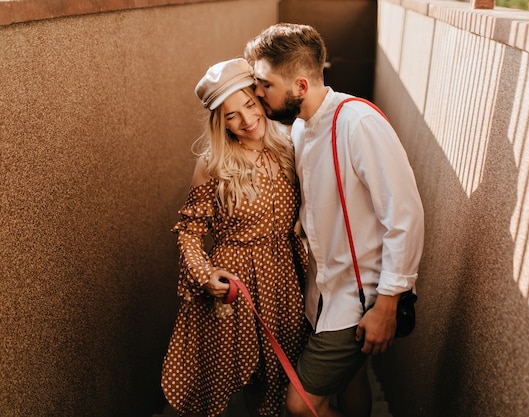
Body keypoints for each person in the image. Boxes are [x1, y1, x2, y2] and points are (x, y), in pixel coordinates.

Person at [245, 24, 425, 417]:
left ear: (301, 86)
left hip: (360, 300)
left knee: (301, 404)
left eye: (265, 84)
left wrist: (387, 304)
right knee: (351, 379)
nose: (257, 94)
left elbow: (405, 216)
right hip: (322, 293)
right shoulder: (299, 129)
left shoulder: (358, 123)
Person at [161, 58, 310, 417]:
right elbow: (190, 231)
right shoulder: (212, 163)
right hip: (235, 283)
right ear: (220, 122)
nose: (246, 120)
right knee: (231, 380)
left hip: (285, 280)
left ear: (261, 100)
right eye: (231, 115)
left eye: (249, 104)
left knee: (281, 379)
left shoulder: (290, 147)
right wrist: (205, 275)